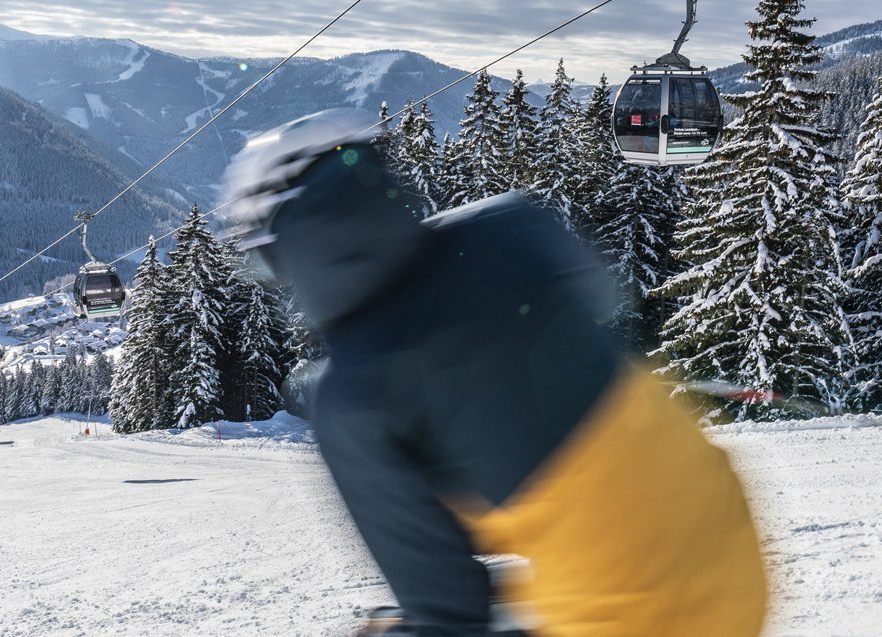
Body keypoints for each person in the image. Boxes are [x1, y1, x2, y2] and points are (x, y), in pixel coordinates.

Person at [220, 110, 768, 637]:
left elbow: (449, 611)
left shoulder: (355, 394)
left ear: (291, 247)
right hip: (733, 539)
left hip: (646, 618)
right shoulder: (505, 223)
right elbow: (601, 299)